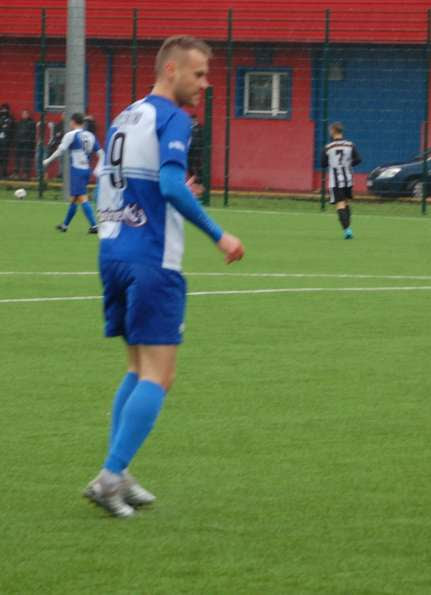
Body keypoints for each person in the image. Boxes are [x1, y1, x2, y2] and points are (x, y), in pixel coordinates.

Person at [82, 35, 245, 518]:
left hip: (113, 252)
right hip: (153, 259)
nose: (205, 84)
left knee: (136, 368)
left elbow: (110, 180)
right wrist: (219, 235)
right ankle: (109, 478)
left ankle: (119, 469)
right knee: (161, 374)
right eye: (198, 74)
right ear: (170, 70)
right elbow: (172, 185)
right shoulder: (175, 118)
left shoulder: (125, 115)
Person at [42, 112, 104, 233]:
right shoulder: (90, 135)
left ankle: (94, 226)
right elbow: (101, 153)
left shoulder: (71, 135)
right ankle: (65, 225)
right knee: (74, 198)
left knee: (82, 197)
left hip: (77, 170)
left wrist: (48, 161)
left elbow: (60, 151)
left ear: (73, 122)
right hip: (86, 170)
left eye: (70, 121)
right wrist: (98, 168)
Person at [320, 122, 361, 239]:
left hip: (335, 181)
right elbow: (358, 159)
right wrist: (348, 164)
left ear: (333, 131)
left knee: (340, 204)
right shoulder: (350, 145)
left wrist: (333, 163)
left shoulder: (328, 147)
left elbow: (322, 164)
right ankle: (348, 227)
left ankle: (347, 230)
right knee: (346, 202)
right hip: (348, 179)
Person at [14, 109, 36, 179]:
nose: (24, 115)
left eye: (25, 114)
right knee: (17, 158)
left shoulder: (32, 123)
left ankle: (25, 173)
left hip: (27, 144)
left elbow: (33, 134)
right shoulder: (19, 122)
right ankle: (16, 173)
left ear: (28, 114)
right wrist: (17, 140)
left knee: (26, 159)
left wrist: (27, 140)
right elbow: (16, 132)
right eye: (23, 114)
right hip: (19, 143)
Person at [187, 113, 204, 181]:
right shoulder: (188, 128)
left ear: (195, 119)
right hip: (189, 150)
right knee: (189, 165)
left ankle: (200, 181)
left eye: (192, 120)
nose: (191, 121)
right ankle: (194, 180)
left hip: (197, 150)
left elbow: (203, 139)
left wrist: (200, 147)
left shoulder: (200, 128)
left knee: (198, 165)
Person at [0, 103, 14, 178]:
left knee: (5, 158)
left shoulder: (10, 118)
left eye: (5, 109)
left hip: (6, 142)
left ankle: (4, 173)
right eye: (2, 109)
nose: (3, 110)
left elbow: (10, 128)